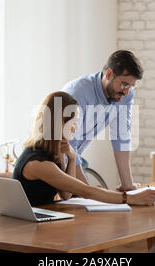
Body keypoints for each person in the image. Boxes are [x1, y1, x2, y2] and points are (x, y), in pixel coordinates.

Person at [12, 91, 155, 207]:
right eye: (74, 122)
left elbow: (66, 194)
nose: (76, 128)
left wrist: (72, 157)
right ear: (59, 123)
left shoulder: (51, 151)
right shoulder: (38, 162)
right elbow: (84, 191)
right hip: (27, 231)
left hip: (43, 220)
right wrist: (132, 198)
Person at [62, 50, 143, 192]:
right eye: (124, 84)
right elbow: (68, 144)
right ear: (109, 74)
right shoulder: (78, 92)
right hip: (54, 157)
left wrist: (127, 185)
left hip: (75, 158)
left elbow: (121, 136)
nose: (126, 91)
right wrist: (90, 192)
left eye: (131, 86)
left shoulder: (125, 95)